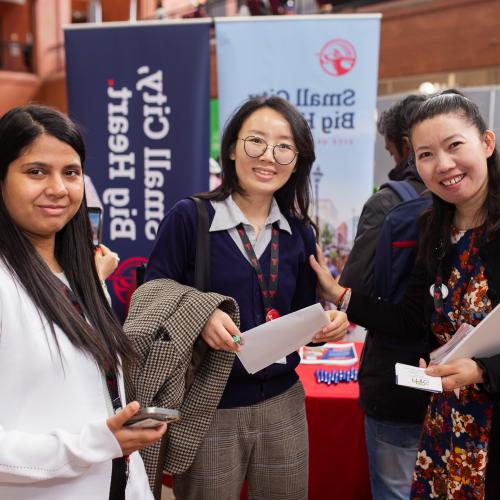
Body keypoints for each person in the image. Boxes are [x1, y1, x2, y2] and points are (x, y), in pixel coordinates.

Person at [144, 96, 349, 500]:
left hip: (284, 401)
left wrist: (327, 323)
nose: (268, 156)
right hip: (209, 403)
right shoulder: (191, 218)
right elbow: (151, 295)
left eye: (283, 146)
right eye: (256, 141)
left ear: (296, 160)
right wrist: (200, 315)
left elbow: (300, 316)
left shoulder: (299, 232)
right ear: (233, 148)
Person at [311, 91, 500, 498]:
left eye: (454, 146)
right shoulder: (434, 227)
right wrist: (342, 296)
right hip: (447, 423)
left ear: (486, 143)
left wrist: (484, 370)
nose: (444, 165)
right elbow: (414, 317)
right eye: (426, 154)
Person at [0, 105, 166, 500]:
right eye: (36, 171)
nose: (58, 188)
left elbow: (106, 394)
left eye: (70, 172)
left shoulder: (84, 279)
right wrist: (94, 444)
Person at [339, 94, 429, 500]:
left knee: (395, 491)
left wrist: (336, 293)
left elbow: (357, 287)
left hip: (396, 379)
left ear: (404, 145)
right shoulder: (471, 201)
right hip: (462, 379)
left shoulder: (387, 203)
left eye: (393, 150)